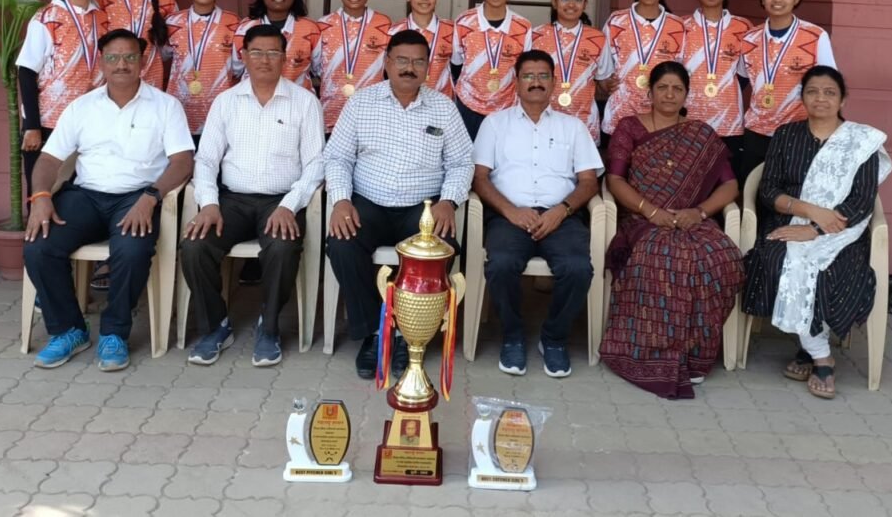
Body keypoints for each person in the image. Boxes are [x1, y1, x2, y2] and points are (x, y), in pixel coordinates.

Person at [22, 30, 194, 371]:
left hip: (137, 197)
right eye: (113, 58)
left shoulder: (165, 106)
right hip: (86, 196)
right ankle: (69, 330)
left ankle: (114, 333)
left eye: (130, 57)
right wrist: (40, 196)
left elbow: (182, 161)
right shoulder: (82, 107)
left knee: (131, 250)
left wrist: (151, 197)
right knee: (39, 245)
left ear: (142, 62)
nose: (121, 65)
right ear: (102, 62)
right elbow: (49, 160)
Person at [324, 29, 473, 379]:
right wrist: (341, 200)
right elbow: (338, 158)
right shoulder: (361, 103)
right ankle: (374, 331)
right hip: (368, 202)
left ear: (428, 67)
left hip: (423, 208)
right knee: (342, 244)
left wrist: (448, 201)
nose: (409, 68)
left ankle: (411, 334)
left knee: (442, 246)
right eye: (402, 60)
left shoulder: (443, 108)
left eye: (418, 62)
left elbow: (462, 162)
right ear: (387, 62)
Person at [742, 66, 892, 399]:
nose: (820, 98)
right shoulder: (786, 135)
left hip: (842, 228)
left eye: (829, 92)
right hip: (790, 220)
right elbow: (769, 190)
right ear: (802, 97)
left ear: (842, 99)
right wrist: (809, 212)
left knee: (834, 268)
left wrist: (816, 229)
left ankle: (810, 350)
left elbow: (862, 199)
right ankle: (821, 356)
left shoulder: (860, 141)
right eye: (812, 91)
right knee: (777, 258)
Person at [180, 25, 325, 367]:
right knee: (195, 246)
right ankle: (216, 326)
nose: (264, 59)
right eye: (256, 52)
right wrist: (209, 204)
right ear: (243, 56)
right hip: (232, 201)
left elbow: (316, 163)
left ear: (284, 58)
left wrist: (290, 205)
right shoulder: (226, 102)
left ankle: (269, 326)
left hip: (281, 200)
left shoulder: (305, 102)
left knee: (282, 247)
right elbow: (206, 159)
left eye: (273, 52)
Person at [599, 60, 744, 400]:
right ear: (649, 93)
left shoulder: (700, 133)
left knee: (722, 257)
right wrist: (651, 211)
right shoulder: (629, 127)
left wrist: (699, 212)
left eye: (677, 89)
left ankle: (696, 355)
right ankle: (654, 352)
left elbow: (730, 186)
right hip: (642, 219)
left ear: (686, 95)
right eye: (662, 87)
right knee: (667, 256)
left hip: (691, 219)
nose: (669, 94)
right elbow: (615, 180)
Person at [472, 50, 603, 378]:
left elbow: (589, 181)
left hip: (561, 217)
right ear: (516, 83)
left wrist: (562, 210)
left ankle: (554, 339)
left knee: (577, 269)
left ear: (553, 83)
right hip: (509, 215)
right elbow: (479, 178)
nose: (535, 82)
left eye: (543, 76)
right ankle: (513, 335)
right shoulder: (495, 124)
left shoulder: (573, 127)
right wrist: (511, 211)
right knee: (501, 264)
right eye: (528, 76)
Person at [18, 0, 109, 198]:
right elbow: (26, 71)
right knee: (43, 194)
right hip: (50, 123)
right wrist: (32, 126)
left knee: (80, 194)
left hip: (92, 121)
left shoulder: (102, 17)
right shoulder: (46, 18)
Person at [740, 0, 837, 181]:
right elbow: (741, 80)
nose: (777, 0)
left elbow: (830, 85)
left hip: (798, 132)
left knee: (790, 190)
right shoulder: (749, 39)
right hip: (756, 132)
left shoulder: (815, 36)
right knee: (751, 191)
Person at [601, 0, 686, 136]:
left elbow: (681, 71)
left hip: (661, 119)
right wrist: (605, 83)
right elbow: (602, 68)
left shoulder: (678, 26)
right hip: (619, 115)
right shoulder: (616, 21)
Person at [451, 0, 532, 140]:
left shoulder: (523, 27)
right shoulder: (464, 22)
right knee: (467, 154)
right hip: (468, 105)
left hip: (506, 107)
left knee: (501, 154)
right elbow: (456, 64)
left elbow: (524, 70)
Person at [681, 0, 752, 163]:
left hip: (729, 124)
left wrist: (724, 90)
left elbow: (745, 74)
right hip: (688, 121)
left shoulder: (744, 27)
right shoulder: (681, 26)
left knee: (728, 176)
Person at [313, 0, 392, 134]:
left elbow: (389, 67)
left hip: (372, 114)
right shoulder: (323, 25)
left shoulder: (384, 24)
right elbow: (317, 67)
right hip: (331, 112)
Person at [165, 0, 240, 145]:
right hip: (179, 109)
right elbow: (164, 55)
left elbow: (238, 67)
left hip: (218, 110)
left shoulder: (234, 23)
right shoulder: (173, 22)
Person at [531, 0, 613, 143]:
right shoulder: (536, 36)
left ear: (585, 4)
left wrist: (621, 84)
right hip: (543, 120)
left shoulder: (598, 38)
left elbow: (604, 80)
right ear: (554, 2)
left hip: (584, 124)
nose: (571, 4)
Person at [232, 0, 320, 90]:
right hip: (254, 99)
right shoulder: (244, 28)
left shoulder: (310, 28)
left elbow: (320, 70)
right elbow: (235, 71)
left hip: (298, 100)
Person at [388, 0, 455, 98]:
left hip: (442, 103)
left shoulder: (452, 30)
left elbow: (459, 70)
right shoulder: (393, 32)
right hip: (403, 102)